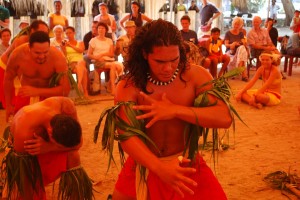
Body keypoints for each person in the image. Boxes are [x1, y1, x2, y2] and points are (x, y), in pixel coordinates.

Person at [111, 19, 232, 200]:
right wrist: (160, 168)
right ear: (144, 54)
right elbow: (127, 137)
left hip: (187, 161)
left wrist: (175, 110)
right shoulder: (129, 85)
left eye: (174, 60)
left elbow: (224, 117)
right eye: (160, 61)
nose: (168, 68)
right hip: (143, 162)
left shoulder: (195, 76)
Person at [2, 97, 93, 199]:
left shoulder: (67, 106)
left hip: (43, 150)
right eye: (57, 144)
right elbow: (23, 176)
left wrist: (49, 147)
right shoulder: (25, 129)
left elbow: (78, 143)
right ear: (50, 132)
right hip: (25, 155)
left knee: (73, 154)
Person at [4, 31, 70, 122]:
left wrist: (37, 91)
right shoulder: (18, 54)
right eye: (37, 53)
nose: (42, 56)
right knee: (22, 131)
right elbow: (8, 78)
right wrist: (8, 105)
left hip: (49, 97)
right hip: (25, 96)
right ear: (29, 47)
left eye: (45, 52)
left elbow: (65, 90)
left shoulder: (57, 57)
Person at [87, 22, 123, 95]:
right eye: (99, 28)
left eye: (103, 28)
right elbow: (89, 54)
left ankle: (109, 85)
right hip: (98, 61)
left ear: (106, 30)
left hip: (109, 60)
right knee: (113, 66)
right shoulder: (93, 40)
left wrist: (102, 54)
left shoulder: (109, 40)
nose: (101, 30)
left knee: (120, 66)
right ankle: (113, 89)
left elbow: (111, 54)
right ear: (97, 30)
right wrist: (97, 57)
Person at [61, 26, 88, 97]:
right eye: (67, 33)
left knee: (81, 63)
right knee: (84, 70)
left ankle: (78, 84)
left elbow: (81, 50)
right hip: (71, 63)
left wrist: (70, 45)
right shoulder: (64, 44)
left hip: (80, 62)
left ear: (74, 33)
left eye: (70, 33)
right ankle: (84, 91)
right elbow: (64, 55)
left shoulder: (80, 42)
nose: (68, 35)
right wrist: (63, 47)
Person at [224, 17, 248, 81]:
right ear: (233, 24)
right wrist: (233, 44)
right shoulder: (228, 33)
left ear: (240, 25)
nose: (236, 26)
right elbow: (226, 44)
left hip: (239, 51)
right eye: (235, 24)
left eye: (238, 24)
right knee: (242, 50)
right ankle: (244, 75)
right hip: (230, 51)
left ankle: (239, 70)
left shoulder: (241, 33)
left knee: (242, 48)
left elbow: (243, 43)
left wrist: (243, 43)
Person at [0, 28, 11, 109]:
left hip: (10, 70)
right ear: (1, 38)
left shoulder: (11, 47)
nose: (6, 37)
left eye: (7, 35)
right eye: (4, 36)